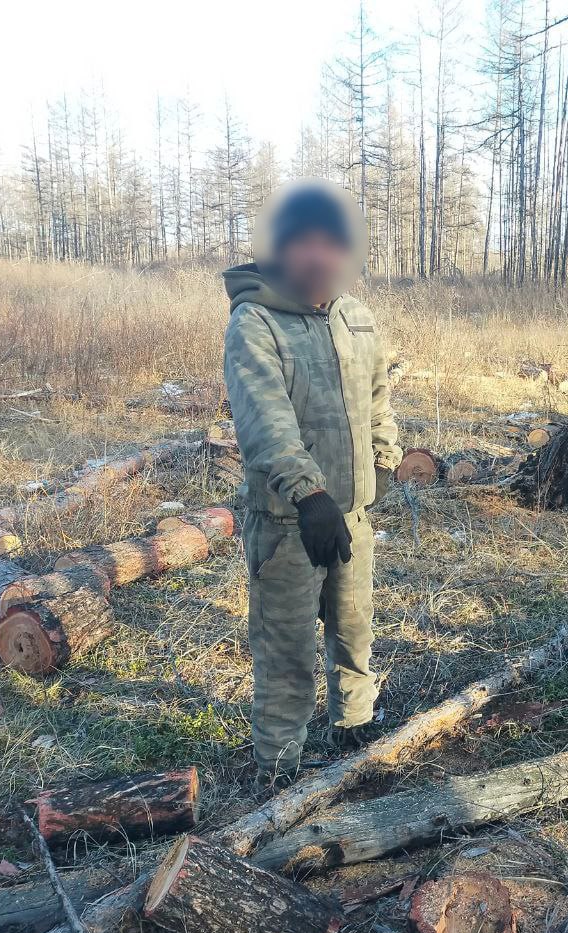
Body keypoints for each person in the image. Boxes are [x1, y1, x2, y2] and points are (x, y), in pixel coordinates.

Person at [222, 179, 401, 785]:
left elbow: (377, 394)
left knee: (354, 630)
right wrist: (309, 493)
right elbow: (264, 420)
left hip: (351, 513)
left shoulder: (356, 316)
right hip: (288, 521)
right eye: (305, 243)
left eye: (332, 243)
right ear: (281, 248)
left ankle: (355, 726)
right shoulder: (254, 323)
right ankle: (278, 768)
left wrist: (384, 456)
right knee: (288, 652)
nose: (319, 256)